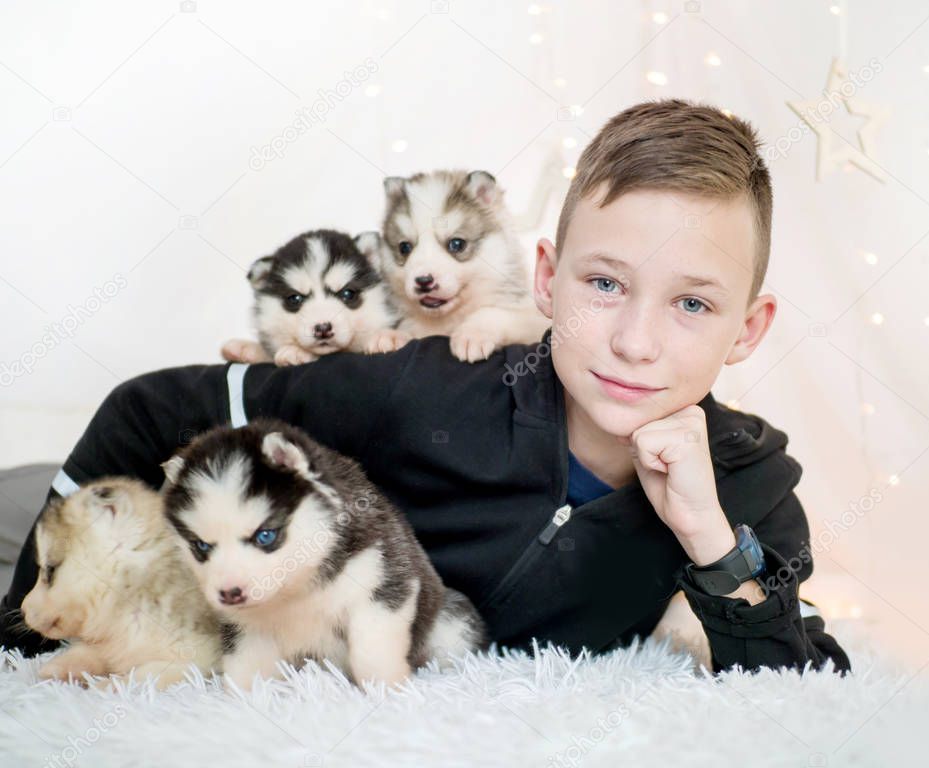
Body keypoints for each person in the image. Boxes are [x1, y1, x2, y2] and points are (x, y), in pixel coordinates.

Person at [0, 99, 850, 675]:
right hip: (84, 512)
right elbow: (144, 408)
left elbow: (800, 677)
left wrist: (706, 536)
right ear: (545, 280)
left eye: (692, 302)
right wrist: (25, 626)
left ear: (749, 328)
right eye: (604, 284)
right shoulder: (427, 388)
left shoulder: (751, 484)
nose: (634, 341)